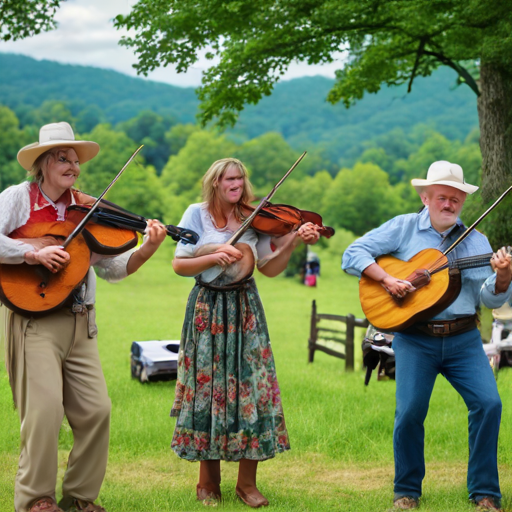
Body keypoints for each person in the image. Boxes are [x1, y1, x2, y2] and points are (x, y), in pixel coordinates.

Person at [0, 122, 167, 512]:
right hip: (33, 319)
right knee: (43, 413)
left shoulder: (88, 209)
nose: (73, 165)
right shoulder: (18, 199)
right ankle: (36, 500)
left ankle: (79, 497)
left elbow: (114, 268)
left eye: (76, 160)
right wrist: (32, 253)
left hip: (81, 319)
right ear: (41, 163)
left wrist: (149, 248)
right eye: (63, 157)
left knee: (96, 410)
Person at [342, 161, 512, 511]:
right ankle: (406, 492)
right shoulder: (403, 228)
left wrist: (504, 278)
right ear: (425, 196)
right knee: (409, 413)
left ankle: (485, 493)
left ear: (463, 201)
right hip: (415, 339)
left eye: (455, 198)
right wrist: (388, 280)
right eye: (441, 197)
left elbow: (487, 297)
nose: (448, 204)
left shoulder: (477, 241)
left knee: (489, 404)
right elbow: (352, 253)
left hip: (464, 339)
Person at [170, 157, 319, 508]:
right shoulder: (196, 213)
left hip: (245, 308)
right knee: (208, 388)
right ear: (215, 183)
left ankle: (247, 485)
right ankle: (207, 483)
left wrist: (294, 241)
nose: (235, 182)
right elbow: (179, 264)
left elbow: (270, 269)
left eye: (239, 177)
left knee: (250, 388)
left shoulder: (254, 217)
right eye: (228, 178)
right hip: (207, 308)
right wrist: (213, 256)